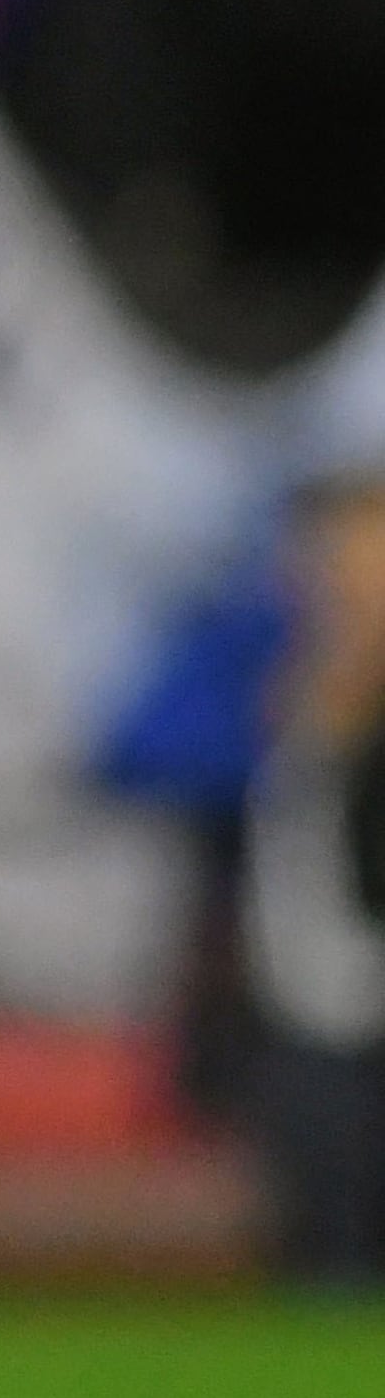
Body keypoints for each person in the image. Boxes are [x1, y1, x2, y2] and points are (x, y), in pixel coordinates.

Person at [247, 476, 385, 1286]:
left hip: (362, 1025)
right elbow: (133, 745)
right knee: (327, 1260)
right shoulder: (274, 681)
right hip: (304, 1023)